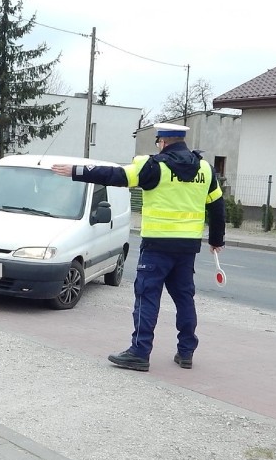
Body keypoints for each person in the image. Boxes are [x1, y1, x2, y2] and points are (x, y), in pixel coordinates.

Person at [50, 123, 226, 372]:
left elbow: (115, 176)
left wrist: (76, 171)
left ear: (163, 142)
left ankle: (140, 352)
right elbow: (217, 206)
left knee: (147, 296)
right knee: (184, 298)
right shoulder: (205, 169)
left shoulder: (154, 167)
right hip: (187, 248)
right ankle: (186, 351)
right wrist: (217, 240)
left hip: (157, 246)